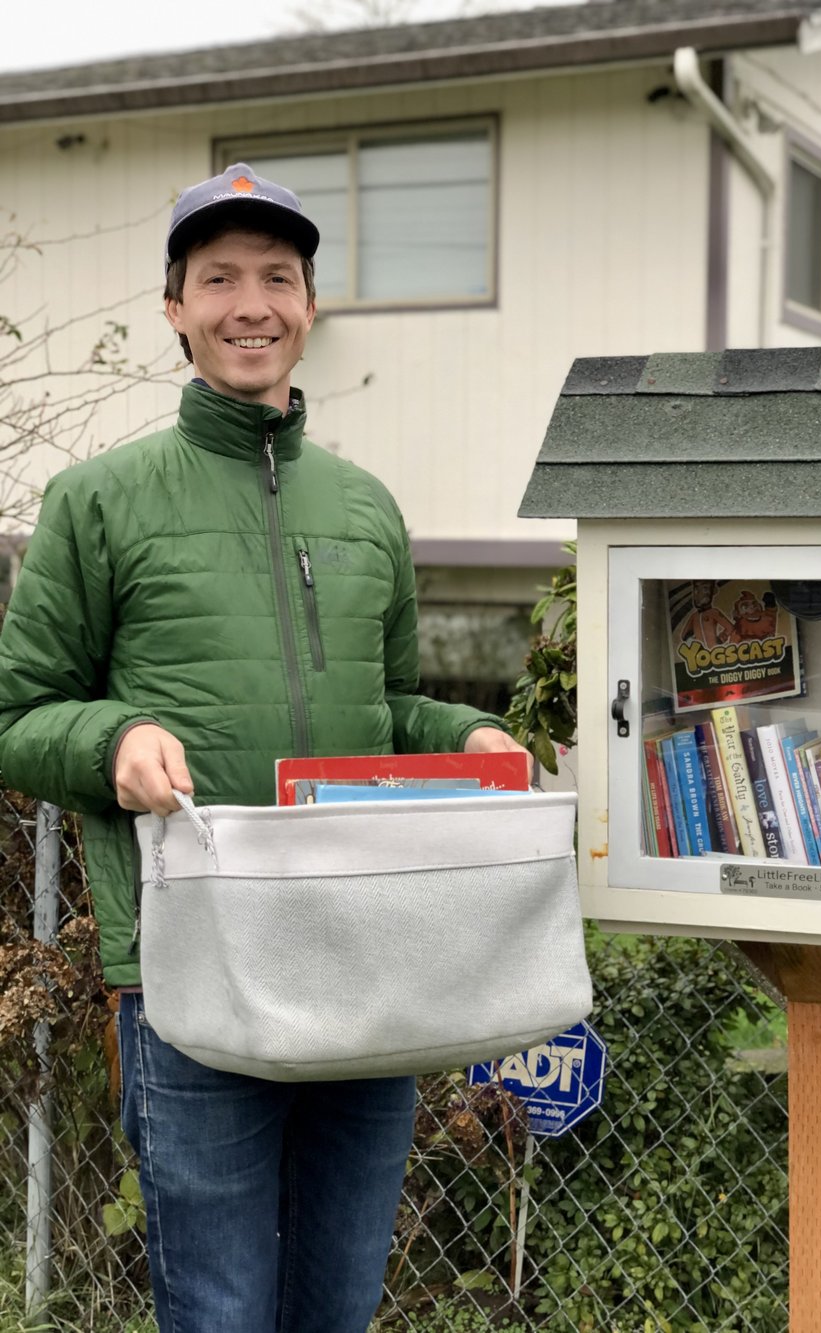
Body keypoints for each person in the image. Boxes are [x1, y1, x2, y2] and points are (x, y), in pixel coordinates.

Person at [0, 162, 529, 1333]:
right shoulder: (98, 502)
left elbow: (393, 706)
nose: (253, 303)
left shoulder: (365, 508)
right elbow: (17, 718)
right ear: (175, 307)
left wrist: (476, 732)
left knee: (338, 1306)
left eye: (278, 277)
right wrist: (117, 736)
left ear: (310, 305)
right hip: (192, 972)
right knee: (222, 1309)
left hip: (366, 961)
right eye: (220, 277)